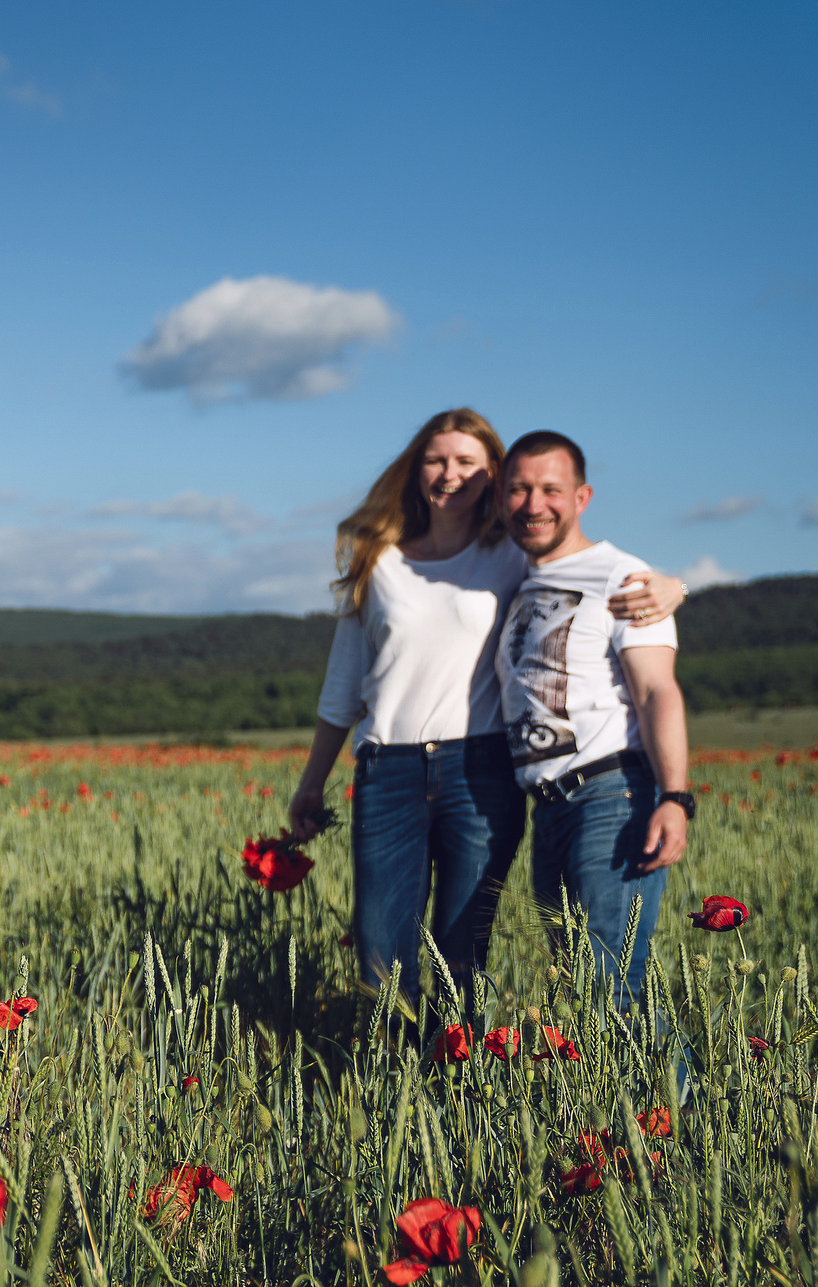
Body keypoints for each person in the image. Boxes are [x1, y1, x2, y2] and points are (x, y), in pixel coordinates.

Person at [286, 409, 683, 1001]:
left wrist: (674, 586)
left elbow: (594, 570)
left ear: (489, 478)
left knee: (465, 955)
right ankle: (391, 1085)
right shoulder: (382, 560)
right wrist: (311, 783)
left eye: (467, 462)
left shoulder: (512, 555)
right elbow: (343, 684)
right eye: (436, 459)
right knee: (379, 959)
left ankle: (454, 1084)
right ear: (417, 468)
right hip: (389, 771)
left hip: (483, 772)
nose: (450, 474)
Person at [494, 430, 690, 1007]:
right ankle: (645, 1102)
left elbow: (657, 691)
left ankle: (676, 1102)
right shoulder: (519, 579)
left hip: (610, 798)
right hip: (549, 811)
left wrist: (676, 797)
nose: (534, 504)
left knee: (610, 990)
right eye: (519, 490)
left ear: (582, 497)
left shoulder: (621, 577)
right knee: (585, 997)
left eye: (550, 489)